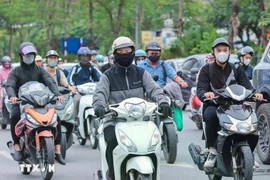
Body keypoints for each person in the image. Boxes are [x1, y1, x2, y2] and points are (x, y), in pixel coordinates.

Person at [93, 36, 171, 180]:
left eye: (127, 51)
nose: (124, 54)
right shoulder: (107, 76)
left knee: (153, 142)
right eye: (120, 51)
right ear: (115, 54)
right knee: (112, 142)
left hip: (142, 120)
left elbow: (154, 89)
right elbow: (100, 93)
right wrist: (98, 105)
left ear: (133, 52)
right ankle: (112, 174)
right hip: (115, 120)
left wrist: (163, 102)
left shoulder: (141, 73)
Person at [196, 38, 263, 168]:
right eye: (219, 50)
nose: (222, 53)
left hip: (235, 104)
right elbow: (201, 89)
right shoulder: (206, 69)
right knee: (211, 116)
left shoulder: (236, 68)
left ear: (230, 52)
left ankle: (249, 154)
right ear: (213, 52)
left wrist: (255, 94)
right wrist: (206, 94)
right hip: (214, 104)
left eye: (225, 50)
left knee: (251, 120)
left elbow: (247, 85)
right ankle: (212, 151)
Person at [6, 42, 66, 165]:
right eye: (27, 55)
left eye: (32, 55)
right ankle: (17, 145)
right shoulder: (15, 72)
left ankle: (57, 149)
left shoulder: (40, 70)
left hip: (39, 103)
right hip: (21, 103)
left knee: (56, 118)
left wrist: (57, 93)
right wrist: (12, 96)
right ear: (21, 56)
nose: (30, 58)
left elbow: (49, 81)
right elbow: (10, 85)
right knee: (14, 115)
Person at [67, 47, 102, 125]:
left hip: (91, 91)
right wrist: (72, 87)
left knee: (101, 98)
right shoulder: (75, 68)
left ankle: (102, 117)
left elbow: (101, 77)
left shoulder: (92, 68)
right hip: (79, 92)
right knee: (76, 99)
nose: (85, 58)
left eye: (86, 56)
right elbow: (70, 80)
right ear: (79, 57)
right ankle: (75, 120)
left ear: (89, 57)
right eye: (83, 56)